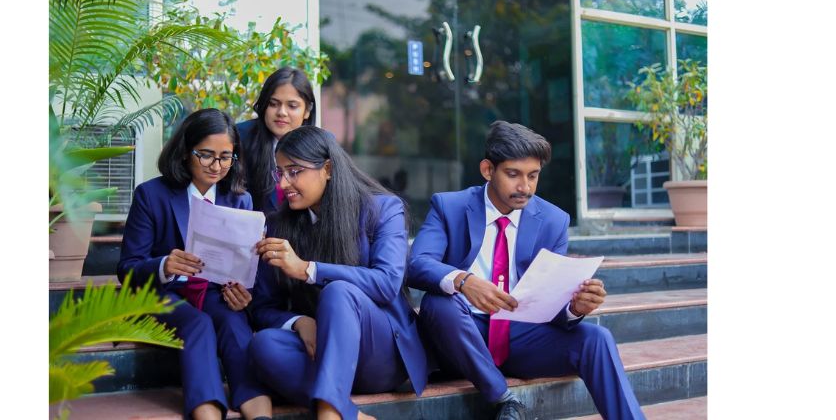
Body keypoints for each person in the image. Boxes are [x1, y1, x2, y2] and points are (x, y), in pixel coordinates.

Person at [407, 121, 644, 420]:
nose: (525, 187)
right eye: (513, 175)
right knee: (439, 303)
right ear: (487, 170)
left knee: (597, 339)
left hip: (521, 337)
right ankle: (504, 398)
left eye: (533, 176)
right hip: (462, 337)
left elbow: (550, 304)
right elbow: (417, 264)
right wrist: (464, 281)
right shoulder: (449, 206)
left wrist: (573, 308)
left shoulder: (553, 221)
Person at [247, 126, 428, 420]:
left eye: (294, 171)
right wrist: (298, 322)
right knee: (263, 345)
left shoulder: (382, 209)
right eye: (279, 173)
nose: (284, 183)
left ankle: (329, 415)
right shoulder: (280, 225)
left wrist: (308, 269)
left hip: (379, 354)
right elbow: (264, 306)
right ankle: (348, 413)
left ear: (327, 169)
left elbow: (386, 283)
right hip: (321, 352)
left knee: (339, 290)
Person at [117, 108, 273, 420]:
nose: (217, 166)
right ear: (185, 152)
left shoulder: (240, 199)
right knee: (198, 325)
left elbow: (246, 266)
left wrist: (243, 292)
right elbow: (127, 268)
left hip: (215, 294)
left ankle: (261, 415)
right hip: (163, 295)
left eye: (226, 157)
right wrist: (164, 265)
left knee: (234, 323)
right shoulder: (152, 195)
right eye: (206, 155)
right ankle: (207, 414)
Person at [237, 66, 317, 215]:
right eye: (273, 104)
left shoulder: (321, 146)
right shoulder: (240, 138)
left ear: (307, 111)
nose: (281, 112)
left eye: (292, 106)